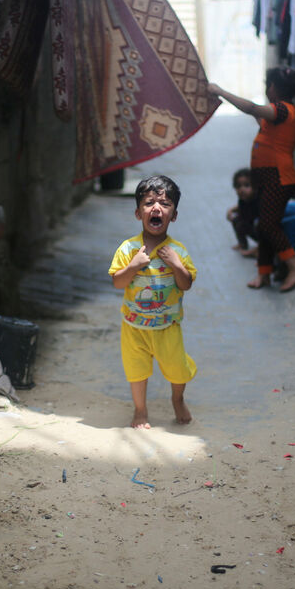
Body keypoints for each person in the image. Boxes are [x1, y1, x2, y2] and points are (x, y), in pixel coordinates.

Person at [207, 67, 295, 292]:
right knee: (265, 224)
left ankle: (294, 266)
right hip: (267, 178)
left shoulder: (284, 110)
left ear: (272, 88)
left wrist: (221, 92)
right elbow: (258, 115)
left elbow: (252, 108)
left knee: (267, 224)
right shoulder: (279, 116)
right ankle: (264, 273)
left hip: (278, 178)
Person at [109, 175, 197, 429]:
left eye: (165, 204)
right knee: (136, 371)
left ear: (174, 215)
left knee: (177, 369)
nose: (157, 208)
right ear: (138, 213)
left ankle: (177, 399)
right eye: (149, 203)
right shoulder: (128, 249)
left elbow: (186, 284)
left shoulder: (178, 251)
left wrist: (177, 265)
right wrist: (134, 266)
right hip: (134, 326)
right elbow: (117, 282)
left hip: (167, 326)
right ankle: (140, 410)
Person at [225, 167, 259, 256]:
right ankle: (242, 244)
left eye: (247, 185)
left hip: (261, 231)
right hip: (249, 225)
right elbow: (241, 208)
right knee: (236, 220)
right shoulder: (243, 200)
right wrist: (231, 210)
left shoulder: (258, 200)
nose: (242, 189)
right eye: (238, 186)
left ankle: (259, 251)